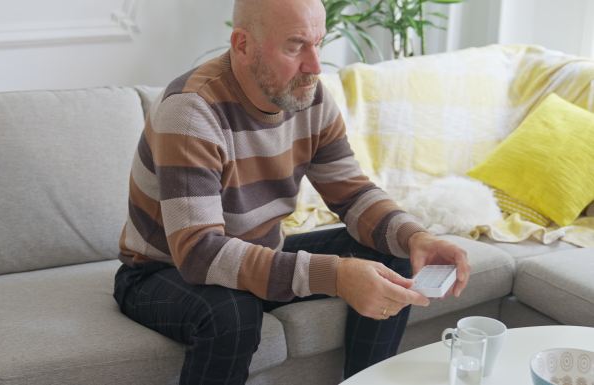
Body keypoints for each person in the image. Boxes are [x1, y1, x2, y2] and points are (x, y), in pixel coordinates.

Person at [114, 0, 470, 383]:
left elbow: (351, 194)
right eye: (295, 45)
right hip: (160, 273)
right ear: (243, 44)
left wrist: (416, 236)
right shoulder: (192, 110)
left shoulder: (310, 96)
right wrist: (335, 275)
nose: (315, 66)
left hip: (262, 253)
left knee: (391, 254)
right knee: (233, 314)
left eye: (318, 43)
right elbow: (200, 253)